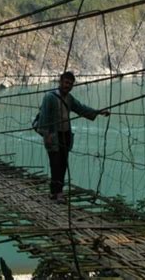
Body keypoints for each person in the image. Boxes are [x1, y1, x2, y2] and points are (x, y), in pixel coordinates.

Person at [37, 71, 109, 202]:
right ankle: (57, 193)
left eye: (70, 84)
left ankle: (56, 192)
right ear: (60, 82)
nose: (68, 86)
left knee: (63, 164)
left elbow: (81, 108)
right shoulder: (49, 97)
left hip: (65, 135)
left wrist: (98, 112)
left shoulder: (69, 98)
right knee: (55, 163)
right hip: (53, 135)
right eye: (66, 83)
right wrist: (46, 135)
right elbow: (44, 118)